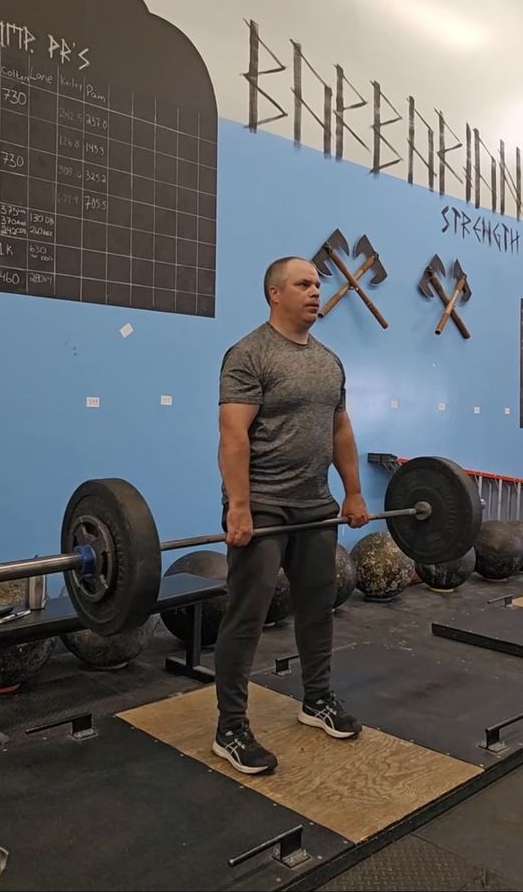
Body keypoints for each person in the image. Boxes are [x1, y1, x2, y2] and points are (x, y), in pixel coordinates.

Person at [212, 256, 369, 775]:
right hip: (262, 504)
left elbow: (340, 430)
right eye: (303, 284)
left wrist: (352, 493)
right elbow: (233, 436)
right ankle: (230, 727)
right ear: (274, 293)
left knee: (317, 605)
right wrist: (238, 506)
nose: (314, 292)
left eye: (317, 285)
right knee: (248, 613)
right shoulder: (249, 354)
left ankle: (316, 699)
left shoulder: (329, 361)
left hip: (314, 502)